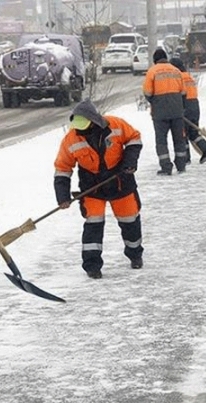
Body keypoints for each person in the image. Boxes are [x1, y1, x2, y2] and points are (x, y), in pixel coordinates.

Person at [54, 99, 144, 279]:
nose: (80, 130)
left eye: (84, 126)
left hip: (120, 182)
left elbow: (134, 138)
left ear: (95, 121)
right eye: (77, 126)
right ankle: (92, 266)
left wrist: (129, 162)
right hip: (92, 188)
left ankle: (135, 255)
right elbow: (63, 168)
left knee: (130, 222)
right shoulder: (71, 139)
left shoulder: (116, 125)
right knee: (93, 226)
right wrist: (62, 196)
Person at [142, 48, 188, 175]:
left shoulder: (152, 71)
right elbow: (184, 92)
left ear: (155, 60)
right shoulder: (176, 70)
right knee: (179, 139)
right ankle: (181, 165)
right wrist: (180, 106)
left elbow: (147, 92)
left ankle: (166, 167)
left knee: (161, 140)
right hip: (177, 110)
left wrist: (154, 101)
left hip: (160, 112)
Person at [169, 57, 206, 164]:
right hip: (194, 104)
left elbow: (178, 93)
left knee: (183, 133)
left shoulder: (178, 77)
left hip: (185, 104)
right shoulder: (188, 77)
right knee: (193, 132)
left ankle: (186, 158)